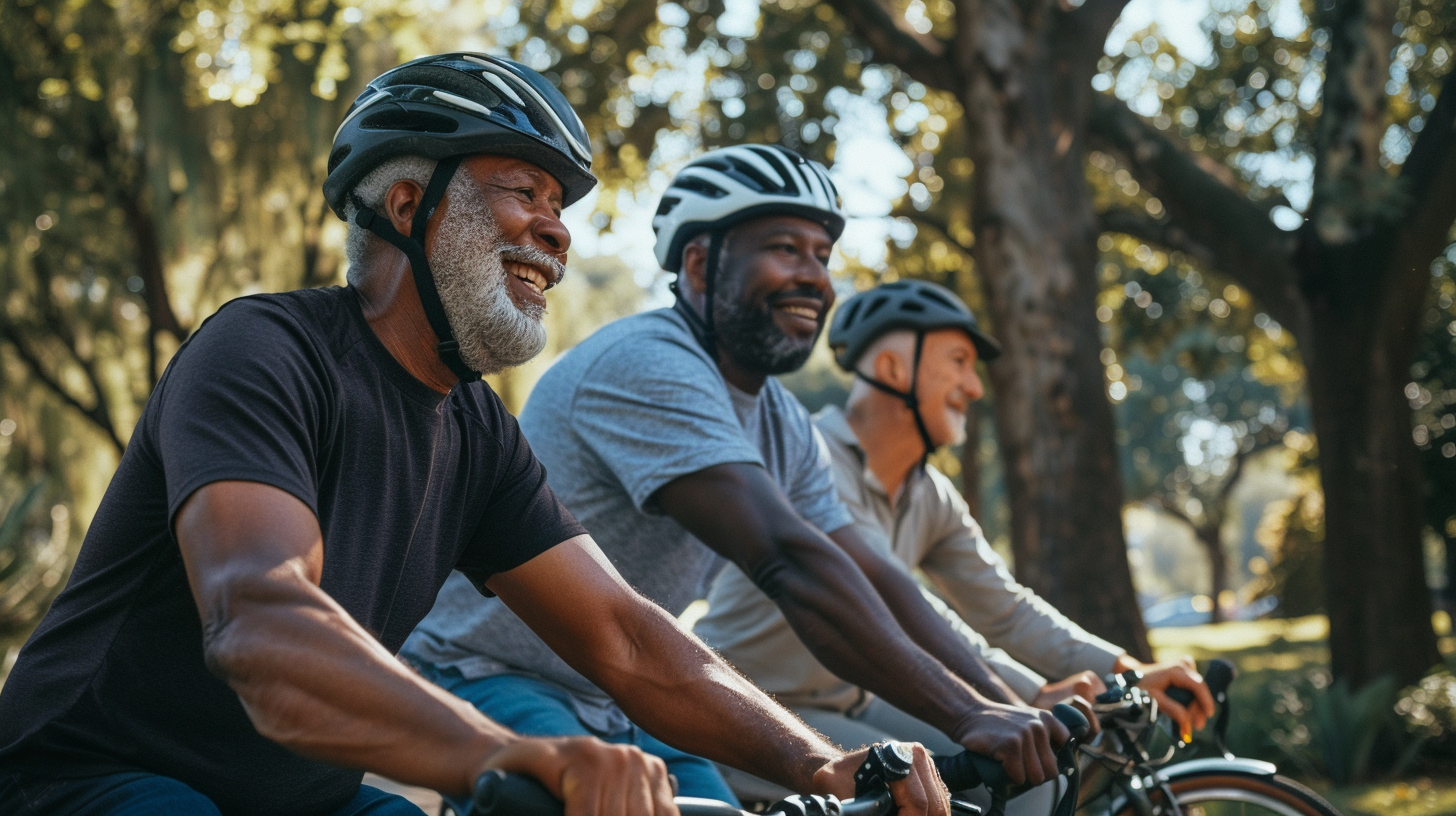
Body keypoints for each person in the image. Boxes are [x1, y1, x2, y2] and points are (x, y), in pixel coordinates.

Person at [0, 56, 949, 816]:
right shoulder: (264, 349)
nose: (556, 231)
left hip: (299, 792)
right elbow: (257, 621)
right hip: (92, 776)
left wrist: (822, 765)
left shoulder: (476, 429)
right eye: (523, 192)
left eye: (561, 208)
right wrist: (506, 750)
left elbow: (625, 638)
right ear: (409, 207)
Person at [403, 144, 1071, 806]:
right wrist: (965, 715)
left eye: (823, 255)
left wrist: (1002, 704)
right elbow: (788, 559)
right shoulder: (646, 363)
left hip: (623, 689)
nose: (815, 276)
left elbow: (871, 571)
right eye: (785, 247)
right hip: (488, 669)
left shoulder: (780, 420)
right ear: (700, 262)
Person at [695, 279, 1216, 768]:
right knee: (998, 764)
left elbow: (1005, 609)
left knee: (1034, 764)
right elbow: (899, 610)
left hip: (852, 702)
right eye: (960, 362)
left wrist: (1123, 671)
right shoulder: (809, 458)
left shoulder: (930, 495)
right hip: (750, 700)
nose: (974, 387)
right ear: (894, 369)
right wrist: (1023, 693)